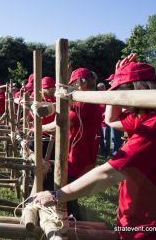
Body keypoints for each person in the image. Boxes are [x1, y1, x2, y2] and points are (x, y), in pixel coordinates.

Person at [34, 54, 156, 239]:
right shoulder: (144, 116)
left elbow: (110, 173)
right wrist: (119, 76)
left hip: (151, 225)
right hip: (137, 215)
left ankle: (70, 224)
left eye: (123, 96)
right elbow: (110, 119)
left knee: (69, 203)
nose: (124, 107)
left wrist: (58, 195)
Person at [41, 68, 102, 219]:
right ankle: (72, 222)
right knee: (68, 192)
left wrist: (37, 128)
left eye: (73, 84)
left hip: (77, 156)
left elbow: (61, 123)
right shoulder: (90, 100)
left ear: (82, 83)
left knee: (65, 192)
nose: (72, 88)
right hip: (84, 154)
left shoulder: (83, 103)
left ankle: (74, 224)